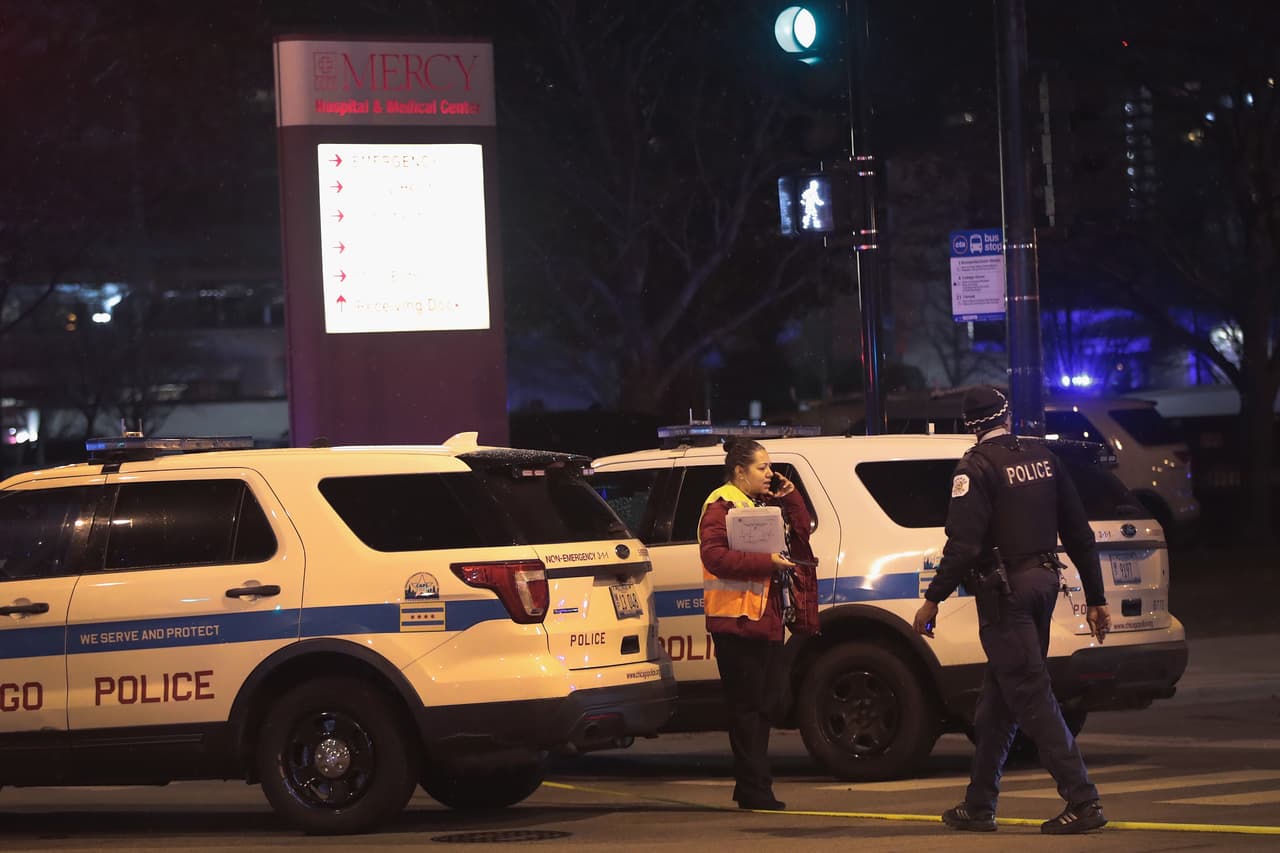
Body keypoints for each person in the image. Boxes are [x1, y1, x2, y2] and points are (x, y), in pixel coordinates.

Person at [912, 386, 1112, 835]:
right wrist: (1096, 599)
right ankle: (979, 804)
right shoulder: (1043, 458)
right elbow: (1079, 533)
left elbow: (963, 546)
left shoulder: (974, 467)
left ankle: (1083, 800)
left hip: (1007, 594)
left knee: (1031, 695)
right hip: (1044, 582)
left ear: (969, 424)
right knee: (998, 703)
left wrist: (933, 599)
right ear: (1008, 415)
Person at [699, 435, 818, 811]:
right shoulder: (721, 504)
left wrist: (791, 493)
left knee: (768, 703)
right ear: (740, 471)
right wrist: (767, 563)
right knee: (748, 708)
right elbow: (715, 556)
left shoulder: (757, 502)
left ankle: (751, 786)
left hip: (763, 618)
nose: (770, 473)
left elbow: (801, 530)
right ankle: (755, 789)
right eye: (762, 467)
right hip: (737, 620)